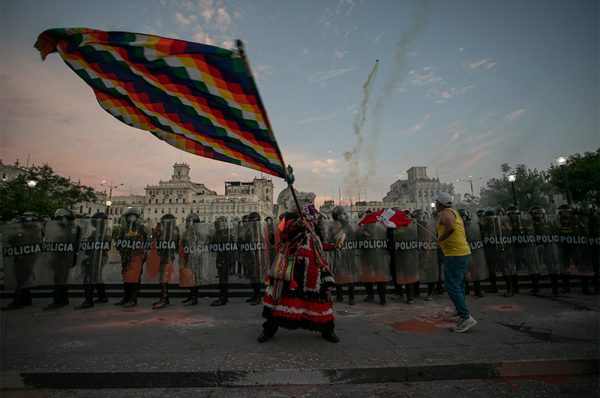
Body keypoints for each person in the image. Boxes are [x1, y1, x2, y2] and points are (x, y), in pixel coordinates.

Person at [259, 204, 339, 343]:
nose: (317, 220)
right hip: (293, 270)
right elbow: (284, 232)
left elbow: (320, 247)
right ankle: (269, 330)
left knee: (319, 300)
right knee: (281, 298)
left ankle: (327, 330)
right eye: (315, 218)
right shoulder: (294, 221)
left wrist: (334, 246)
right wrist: (297, 224)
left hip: (313, 272)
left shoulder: (314, 231)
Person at [434, 192, 477, 333]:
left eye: (436, 202)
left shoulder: (445, 213)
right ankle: (460, 313)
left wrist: (439, 239)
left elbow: (451, 228)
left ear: (440, 203)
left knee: (452, 286)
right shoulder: (453, 212)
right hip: (462, 253)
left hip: (455, 255)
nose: (435, 204)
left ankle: (466, 318)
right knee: (459, 285)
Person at [43, 208, 81, 310]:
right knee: (59, 278)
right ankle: (63, 299)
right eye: (58, 218)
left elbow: (76, 243)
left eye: (63, 218)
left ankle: (57, 301)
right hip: (57, 256)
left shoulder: (74, 229)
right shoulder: (58, 229)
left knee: (60, 279)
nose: (61, 220)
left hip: (66, 257)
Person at [75, 212, 110, 309]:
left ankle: (88, 300)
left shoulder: (104, 232)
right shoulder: (97, 231)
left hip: (99, 256)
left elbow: (106, 246)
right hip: (95, 255)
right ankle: (102, 296)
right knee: (97, 276)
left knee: (89, 277)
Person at [115, 207, 148, 308]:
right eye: (129, 216)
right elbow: (119, 241)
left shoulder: (141, 229)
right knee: (126, 277)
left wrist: (143, 254)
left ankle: (133, 299)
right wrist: (120, 248)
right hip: (126, 256)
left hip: (136, 256)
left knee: (134, 278)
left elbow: (145, 242)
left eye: (133, 216)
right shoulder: (124, 229)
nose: (131, 218)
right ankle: (126, 297)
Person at [152, 214, 180, 309]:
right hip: (162, 257)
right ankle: (165, 297)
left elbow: (176, 246)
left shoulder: (174, 233)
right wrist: (156, 233)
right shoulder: (161, 233)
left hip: (168, 257)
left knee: (163, 278)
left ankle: (164, 298)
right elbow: (155, 244)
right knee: (162, 278)